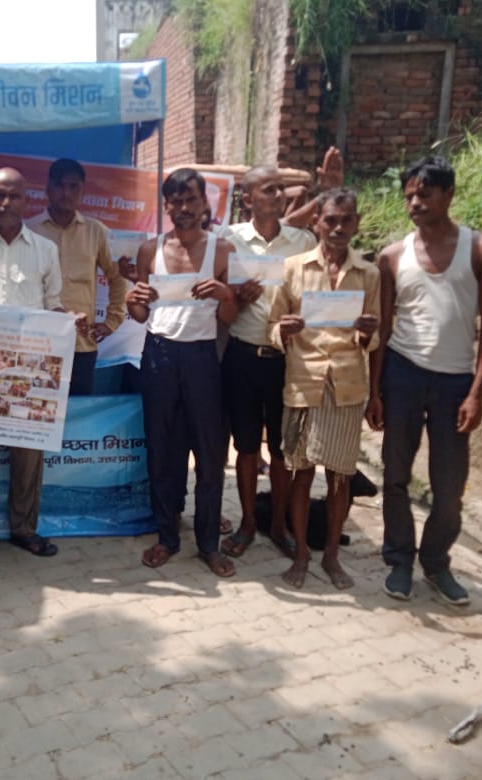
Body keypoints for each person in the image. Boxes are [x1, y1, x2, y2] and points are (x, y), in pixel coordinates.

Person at [366, 156, 482, 605]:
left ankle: (436, 561)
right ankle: (399, 559)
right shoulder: (392, 256)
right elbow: (385, 327)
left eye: (424, 194)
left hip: (454, 381)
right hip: (403, 373)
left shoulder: (481, 250)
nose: (415, 203)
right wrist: (375, 391)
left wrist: (477, 393)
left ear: (449, 194)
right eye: (409, 196)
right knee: (395, 476)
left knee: (448, 486)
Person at [0, 167, 85, 564]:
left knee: (29, 454)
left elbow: (52, 304)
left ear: (27, 200)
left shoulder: (45, 250)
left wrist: (67, 320)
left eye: (14, 196)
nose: (6, 203)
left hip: (33, 366)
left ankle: (25, 529)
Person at [125, 168, 239, 578]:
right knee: (162, 449)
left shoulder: (221, 251)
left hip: (203, 357)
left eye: (192, 199)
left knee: (209, 454)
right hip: (158, 355)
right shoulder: (149, 250)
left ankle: (208, 544)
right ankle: (167, 536)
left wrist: (226, 294)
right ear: (166, 206)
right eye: (176, 201)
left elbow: (229, 317)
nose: (185, 208)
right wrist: (132, 299)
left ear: (205, 203)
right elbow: (141, 314)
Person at [267, 188, 380, 590]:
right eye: (330, 220)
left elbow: (375, 337)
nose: (337, 228)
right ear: (316, 223)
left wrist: (366, 333)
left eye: (346, 220)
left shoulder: (368, 274)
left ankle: (331, 555)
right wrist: (284, 330)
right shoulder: (292, 268)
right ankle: (301, 553)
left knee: (340, 477)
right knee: (301, 473)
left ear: (356, 224)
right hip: (304, 382)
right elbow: (272, 325)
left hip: (346, 386)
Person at [219, 165, 319, 560]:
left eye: (281, 189)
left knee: (281, 450)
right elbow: (218, 299)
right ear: (247, 199)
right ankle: (247, 523)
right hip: (243, 356)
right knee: (246, 447)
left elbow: (314, 291)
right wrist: (236, 297)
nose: (280, 195)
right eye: (270, 189)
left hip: (287, 361)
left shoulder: (302, 241)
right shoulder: (228, 240)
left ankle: (278, 525)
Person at [27, 158, 127, 395]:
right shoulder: (29, 230)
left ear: (83, 191)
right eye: (59, 185)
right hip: (37, 343)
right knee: (34, 410)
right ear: (47, 189)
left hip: (81, 345)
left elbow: (118, 277)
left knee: (79, 413)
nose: (66, 193)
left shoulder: (97, 232)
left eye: (73, 186)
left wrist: (112, 322)